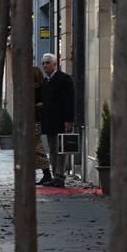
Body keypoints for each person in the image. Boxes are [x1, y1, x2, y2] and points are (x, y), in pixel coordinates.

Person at [38, 53, 75, 187]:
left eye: (47, 63)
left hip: (61, 121)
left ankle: (60, 176)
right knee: (52, 149)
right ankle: (55, 176)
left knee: (61, 149)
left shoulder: (64, 79)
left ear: (55, 64)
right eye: (43, 63)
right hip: (49, 121)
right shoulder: (45, 81)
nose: (44, 65)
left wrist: (69, 120)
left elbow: (69, 101)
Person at [32, 67, 52, 182]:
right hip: (36, 121)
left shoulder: (37, 89)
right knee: (36, 148)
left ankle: (46, 173)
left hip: (35, 121)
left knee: (36, 148)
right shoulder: (41, 88)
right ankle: (46, 173)